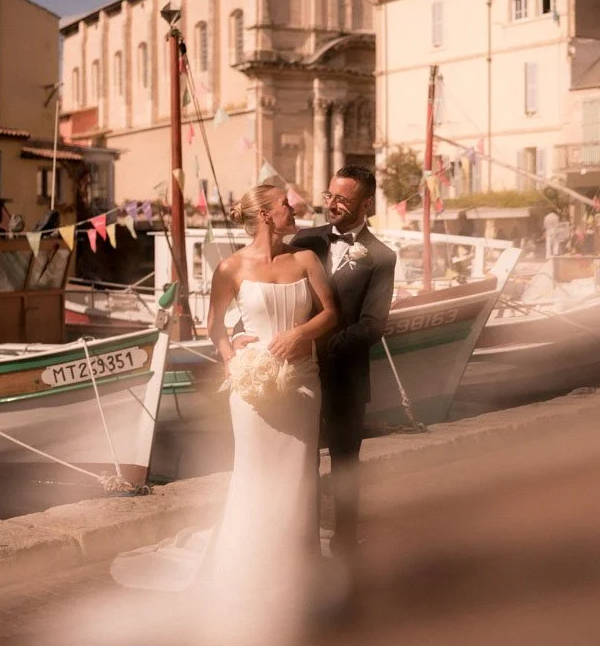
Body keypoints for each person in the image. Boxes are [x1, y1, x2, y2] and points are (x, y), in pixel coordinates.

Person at [97, 184, 337, 646]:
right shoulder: (231, 267)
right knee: (253, 478)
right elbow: (214, 325)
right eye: (285, 203)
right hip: (252, 388)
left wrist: (299, 334)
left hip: (303, 382)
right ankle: (247, 578)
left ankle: (296, 576)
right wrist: (232, 358)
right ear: (265, 214)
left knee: (298, 479)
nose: (293, 208)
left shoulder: (306, 259)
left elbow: (331, 313)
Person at [290, 165, 396, 564]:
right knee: (299, 461)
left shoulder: (382, 256)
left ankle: (346, 541)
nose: (331, 204)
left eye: (342, 199)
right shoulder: (304, 241)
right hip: (296, 373)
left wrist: (322, 347)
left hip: (347, 378)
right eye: (329, 195)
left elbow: (373, 325)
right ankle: (302, 540)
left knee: (345, 465)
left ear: (365, 204)